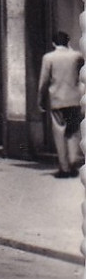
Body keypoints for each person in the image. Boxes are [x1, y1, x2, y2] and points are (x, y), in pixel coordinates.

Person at [37, 31, 84, 178]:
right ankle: (73, 162)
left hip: (57, 100)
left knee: (59, 133)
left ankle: (64, 168)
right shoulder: (76, 56)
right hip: (74, 99)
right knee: (73, 132)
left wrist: (40, 99)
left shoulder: (48, 58)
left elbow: (44, 81)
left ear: (53, 43)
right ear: (68, 42)